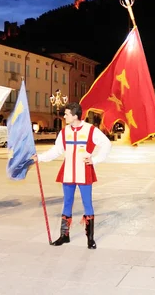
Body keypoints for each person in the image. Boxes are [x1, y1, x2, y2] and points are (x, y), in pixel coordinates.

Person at [32, 102, 112, 249]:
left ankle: (90, 238)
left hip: (84, 171)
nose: (64, 116)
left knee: (87, 203)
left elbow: (106, 144)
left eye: (66, 114)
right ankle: (64, 235)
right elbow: (56, 150)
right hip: (68, 171)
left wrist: (94, 160)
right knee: (67, 202)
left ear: (75, 115)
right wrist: (40, 157)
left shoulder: (90, 130)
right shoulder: (64, 131)